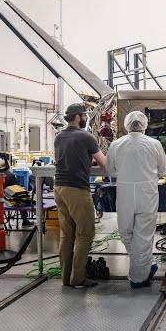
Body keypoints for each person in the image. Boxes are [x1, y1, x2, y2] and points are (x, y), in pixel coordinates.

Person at [106, 111, 166, 288]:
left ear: (126, 125)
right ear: (145, 125)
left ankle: (140, 273)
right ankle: (142, 272)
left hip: (124, 191)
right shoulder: (154, 144)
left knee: (126, 232)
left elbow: (110, 171)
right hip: (146, 192)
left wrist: (126, 172)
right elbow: (162, 169)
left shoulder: (116, 144)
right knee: (144, 234)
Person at [54, 103, 107, 289]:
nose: (86, 119)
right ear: (78, 116)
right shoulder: (86, 136)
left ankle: (66, 278)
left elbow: (70, 157)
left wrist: (86, 159)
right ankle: (78, 279)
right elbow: (105, 164)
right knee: (85, 233)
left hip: (59, 188)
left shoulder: (59, 136)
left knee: (67, 234)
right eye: (85, 115)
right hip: (77, 189)